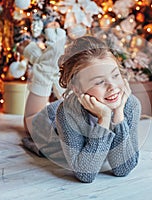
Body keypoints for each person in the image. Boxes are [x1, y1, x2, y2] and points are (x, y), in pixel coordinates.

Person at [23, 35, 141, 183]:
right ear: (77, 89)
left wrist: (118, 114)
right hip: (50, 124)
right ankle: (44, 70)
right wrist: (104, 119)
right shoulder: (66, 114)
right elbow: (85, 174)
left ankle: (55, 74)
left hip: (79, 101)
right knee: (30, 119)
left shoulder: (130, 105)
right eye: (99, 81)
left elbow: (123, 168)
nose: (112, 87)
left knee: (67, 100)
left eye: (115, 75)